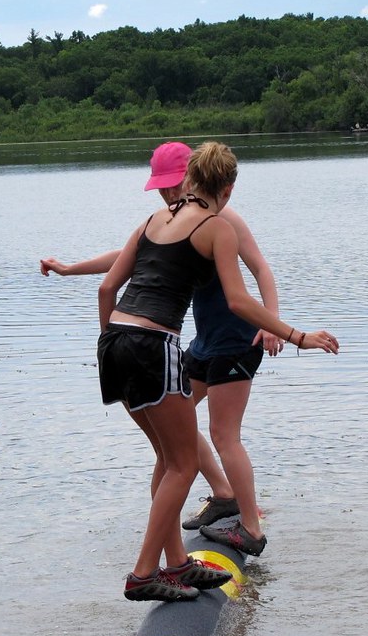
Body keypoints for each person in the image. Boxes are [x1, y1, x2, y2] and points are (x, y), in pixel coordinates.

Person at [95, 141, 338, 601]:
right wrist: (296, 335)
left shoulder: (152, 221)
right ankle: (145, 574)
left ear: (188, 181)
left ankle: (177, 566)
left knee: (169, 459)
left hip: (114, 342)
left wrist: (107, 338)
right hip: (154, 344)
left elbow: (108, 286)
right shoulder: (216, 227)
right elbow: (237, 301)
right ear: (226, 188)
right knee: (185, 464)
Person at [41, 141, 281, 556]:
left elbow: (260, 268)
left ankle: (250, 524)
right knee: (179, 421)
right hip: (203, 342)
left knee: (223, 435)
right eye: (162, 189)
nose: (169, 195)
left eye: (175, 186)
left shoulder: (224, 220)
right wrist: (70, 268)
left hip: (237, 338)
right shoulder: (174, 220)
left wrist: (276, 326)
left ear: (192, 177)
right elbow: (132, 255)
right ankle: (222, 496)